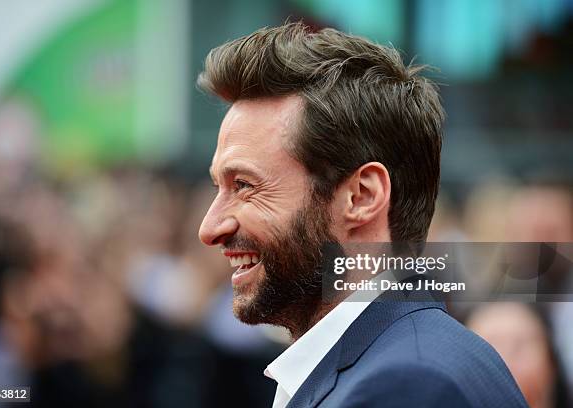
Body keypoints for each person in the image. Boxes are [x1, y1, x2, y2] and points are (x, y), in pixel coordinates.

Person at [197, 23, 528, 407]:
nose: (210, 228)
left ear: (361, 196)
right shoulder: (412, 358)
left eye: (244, 185)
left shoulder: (405, 386)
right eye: (218, 187)